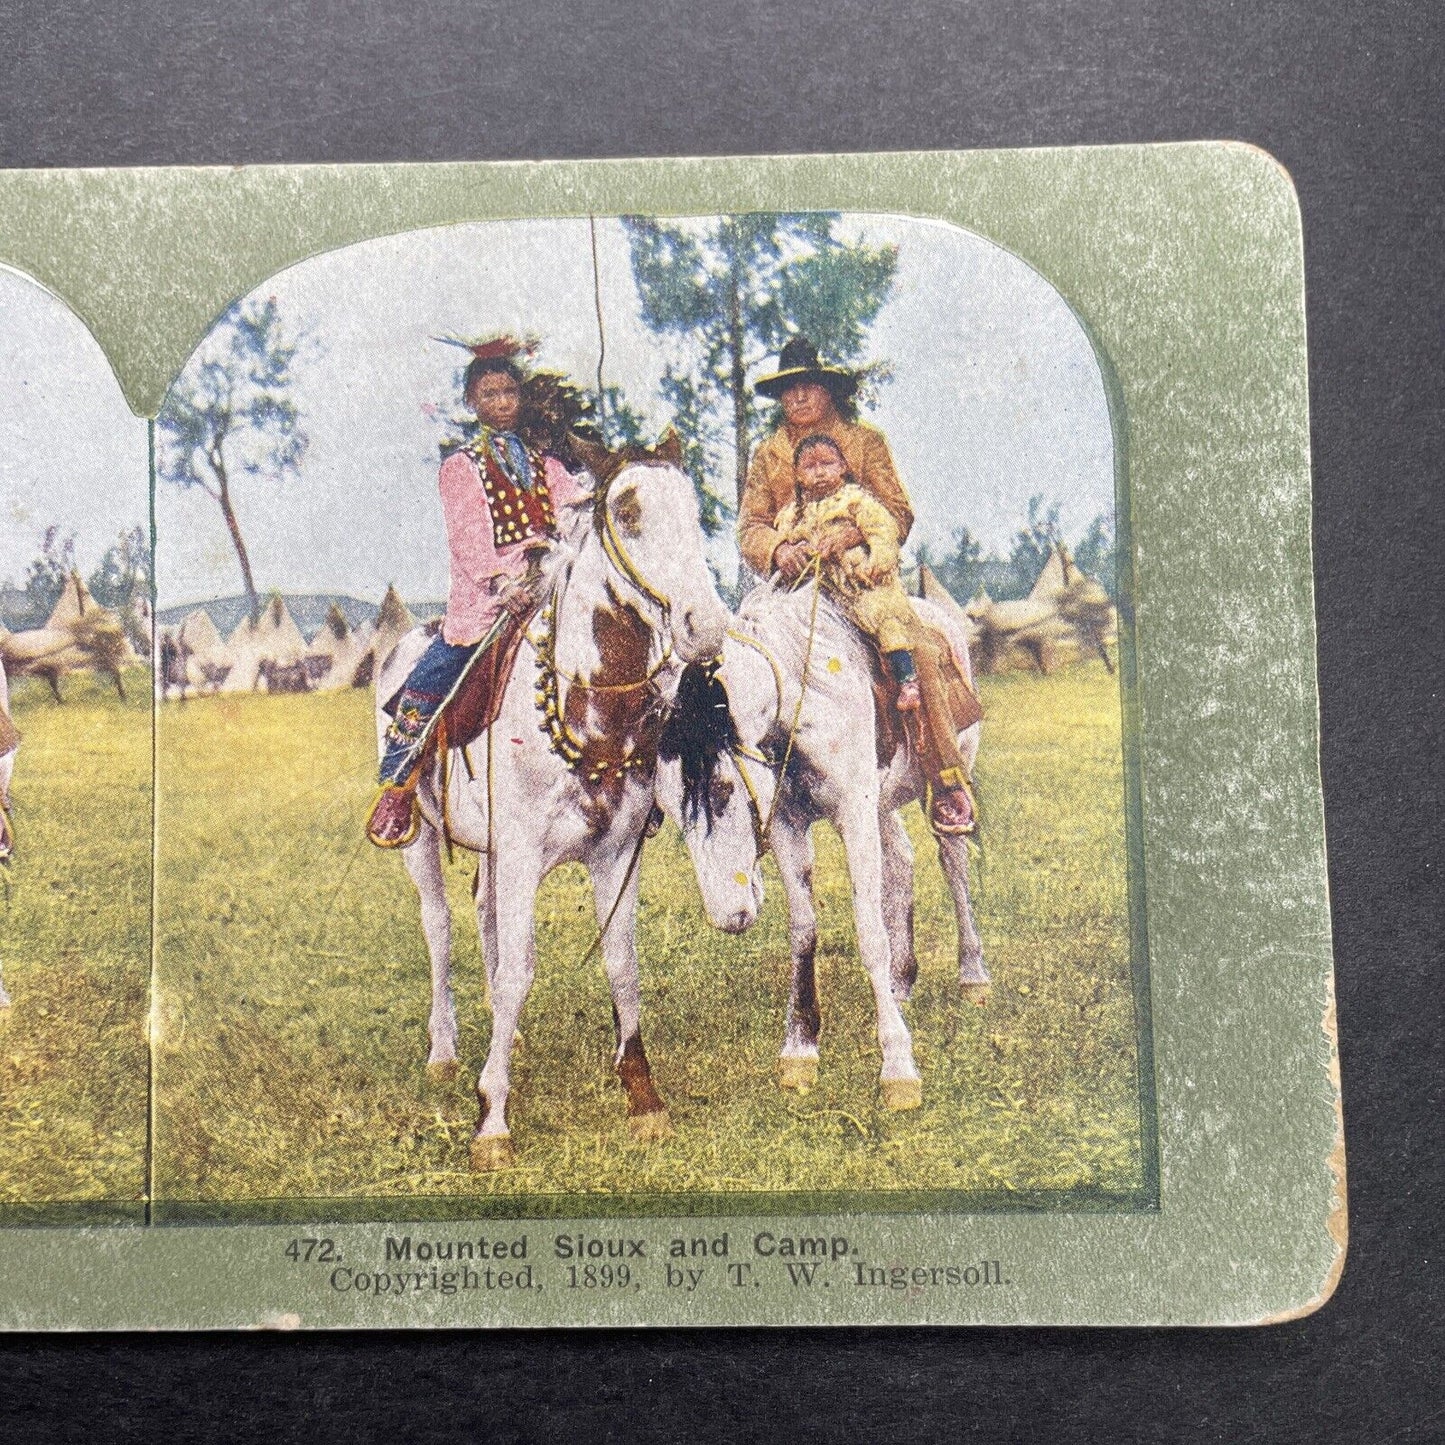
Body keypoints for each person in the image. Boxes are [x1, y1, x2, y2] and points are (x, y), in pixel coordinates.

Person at [740, 338, 978, 835]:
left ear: (827, 389)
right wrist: (779, 551)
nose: (799, 397)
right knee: (739, 658)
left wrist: (853, 535)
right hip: (794, 585)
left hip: (859, 576)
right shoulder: (767, 456)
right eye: (789, 389)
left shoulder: (864, 440)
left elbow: (897, 508)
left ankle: (946, 781)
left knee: (916, 645)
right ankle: (748, 794)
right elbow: (752, 527)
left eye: (808, 386)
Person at [366, 337, 590, 847]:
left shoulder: (543, 463)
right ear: (472, 401)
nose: (502, 402)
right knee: (435, 674)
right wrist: (500, 581)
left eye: (509, 391)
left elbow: (573, 506)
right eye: (490, 394)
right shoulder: (461, 467)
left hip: (547, 589)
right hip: (488, 601)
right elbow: (468, 541)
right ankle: (398, 784)